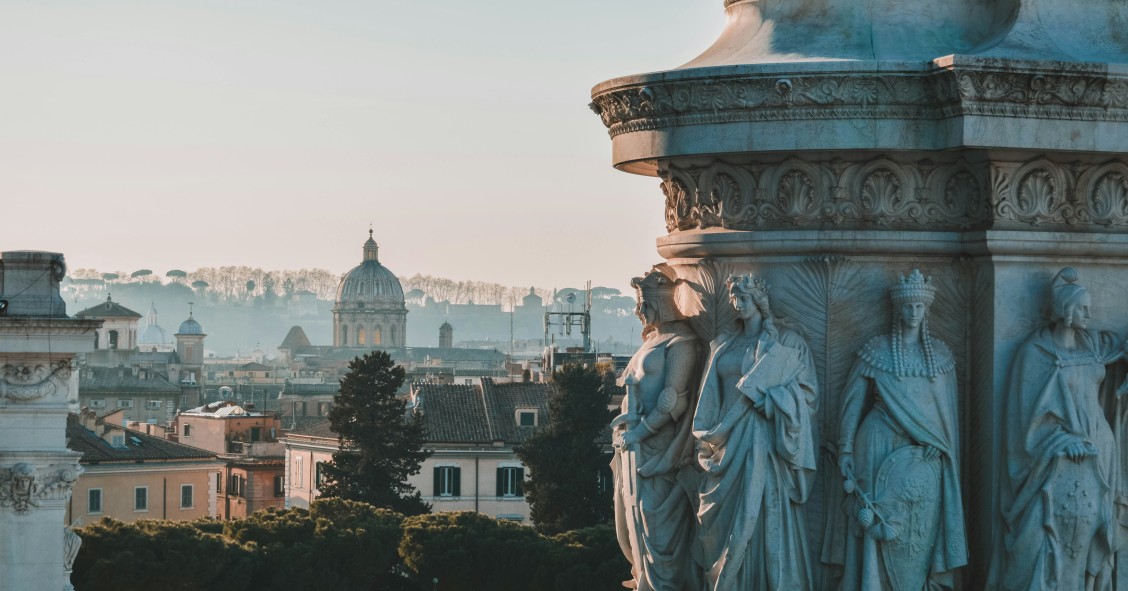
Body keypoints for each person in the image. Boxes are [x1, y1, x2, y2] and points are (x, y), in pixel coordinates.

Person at [834, 269, 966, 590]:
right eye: (907, 307)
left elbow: (944, 418)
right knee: (874, 521)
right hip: (877, 443)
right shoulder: (876, 351)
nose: (913, 313)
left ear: (927, 310)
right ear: (898, 309)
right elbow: (853, 404)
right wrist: (847, 448)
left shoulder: (940, 357)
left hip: (925, 459)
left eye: (919, 307)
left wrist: (940, 444)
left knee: (919, 530)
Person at [998, 267, 1126, 590]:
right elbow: (1023, 420)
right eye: (1083, 308)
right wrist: (1059, 440)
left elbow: (1123, 344)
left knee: (1091, 530)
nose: (1090, 314)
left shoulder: (1091, 344)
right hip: (1051, 464)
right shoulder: (1035, 353)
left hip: (1099, 452)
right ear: (1066, 311)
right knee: (1047, 538)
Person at [693, 273, 818, 591]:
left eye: (745, 297)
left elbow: (807, 397)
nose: (738, 303)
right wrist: (710, 435)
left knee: (763, 520)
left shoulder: (787, 343)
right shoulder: (724, 344)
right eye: (734, 297)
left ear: (760, 301)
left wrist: (774, 402)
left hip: (764, 444)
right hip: (724, 446)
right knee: (720, 530)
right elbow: (708, 400)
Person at [612, 266, 702, 591]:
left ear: (659, 302)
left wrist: (639, 432)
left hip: (660, 450)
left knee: (654, 522)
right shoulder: (655, 339)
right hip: (634, 446)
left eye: (643, 303)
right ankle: (645, 581)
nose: (639, 310)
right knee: (632, 518)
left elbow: (670, 401)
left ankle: (662, 585)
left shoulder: (682, 343)